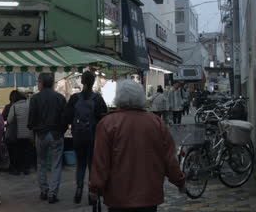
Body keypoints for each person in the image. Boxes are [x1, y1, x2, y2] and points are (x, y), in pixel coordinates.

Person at [89, 80, 185, 212]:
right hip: (149, 196)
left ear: (118, 97)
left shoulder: (107, 124)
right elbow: (169, 159)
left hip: (118, 198)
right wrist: (179, 181)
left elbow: (101, 162)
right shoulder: (156, 123)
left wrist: (95, 188)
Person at [65, 71, 108, 204]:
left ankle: (78, 190)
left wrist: (73, 126)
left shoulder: (74, 98)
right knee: (92, 165)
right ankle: (91, 193)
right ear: (93, 81)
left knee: (81, 164)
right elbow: (104, 118)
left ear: (82, 81)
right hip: (93, 137)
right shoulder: (98, 99)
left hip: (78, 136)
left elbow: (67, 116)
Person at [28, 73, 67, 204]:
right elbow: (65, 118)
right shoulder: (60, 98)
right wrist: (62, 131)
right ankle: (53, 193)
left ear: (41, 83)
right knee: (56, 164)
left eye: (38, 82)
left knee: (41, 163)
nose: (37, 84)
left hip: (41, 135)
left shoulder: (35, 98)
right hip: (56, 134)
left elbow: (31, 119)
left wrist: (34, 130)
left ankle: (44, 190)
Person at [7, 90, 33, 175]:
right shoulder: (29, 105)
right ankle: (26, 168)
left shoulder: (14, 107)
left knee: (17, 151)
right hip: (28, 132)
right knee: (27, 150)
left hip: (17, 134)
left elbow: (9, 120)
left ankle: (18, 169)